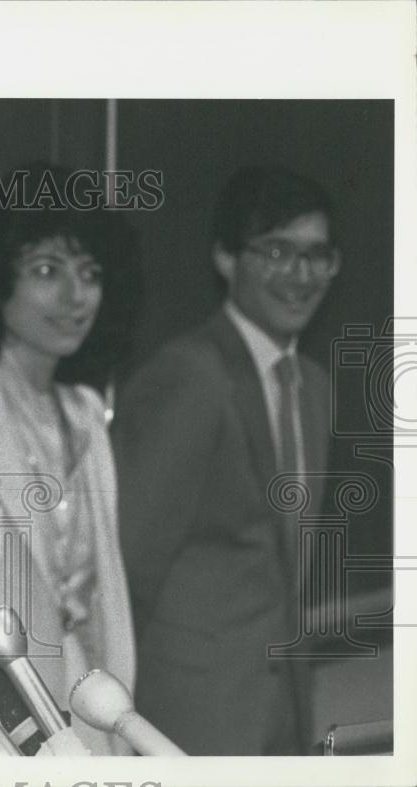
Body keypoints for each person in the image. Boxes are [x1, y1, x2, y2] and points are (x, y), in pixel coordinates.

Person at [111, 165, 339, 755]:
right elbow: (126, 572)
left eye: (318, 255)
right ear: (226, 258)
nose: (301, 274)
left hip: (284, 716)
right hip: (190, 721)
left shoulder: (313, 386)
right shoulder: (187, 377)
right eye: (277, 251)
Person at [0, 165, 137, 754]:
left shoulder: (85, 410)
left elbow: (104, 590)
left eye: (90, 274)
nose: (75, 296)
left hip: (93, 697)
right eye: (46, 271)